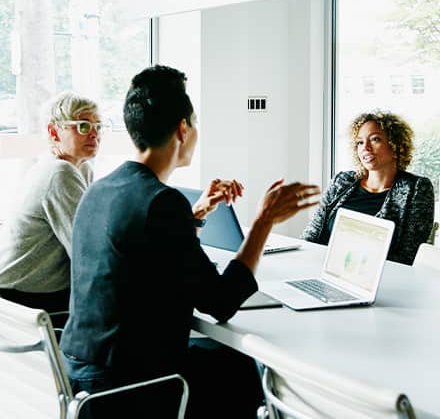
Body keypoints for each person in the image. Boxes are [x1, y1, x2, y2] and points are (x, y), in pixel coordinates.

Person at [60, 65, 320, 419]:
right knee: (245, 371)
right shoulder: (161, 202)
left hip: (84, 379)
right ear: (183, 129)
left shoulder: (101, 188)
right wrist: (263, 222)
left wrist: (196, 215)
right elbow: (221, 301)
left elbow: (159, 258)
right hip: (133, 388)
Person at [0, 91, 104, 315]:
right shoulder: (60, 172)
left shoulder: (81, 168)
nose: (94, 134)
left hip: (33, 294)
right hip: (22, 299)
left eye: (98, 126)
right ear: (53, 131)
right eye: (83, 126)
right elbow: (86, 252)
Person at [302, 109, 434, 265]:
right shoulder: (342, 181)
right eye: (360, 142)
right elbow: (311, 235)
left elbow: (408, 256)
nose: (366, 148)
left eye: (375, 139)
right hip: (322, 268)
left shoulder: (417, 188)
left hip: (379, 281)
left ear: (396, 146)